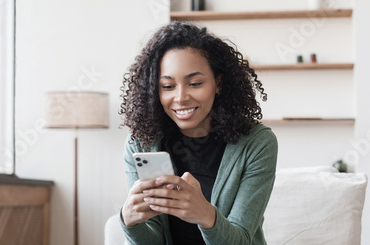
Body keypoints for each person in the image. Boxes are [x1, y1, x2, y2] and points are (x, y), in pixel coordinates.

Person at [118, 21, 278, 245]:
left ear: (218, 83)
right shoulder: (142, 142)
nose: (181, 97)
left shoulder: (256, 143)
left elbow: (241, 240)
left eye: (195, 83)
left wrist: (204, 214)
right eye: (167, 86)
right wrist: (130, 221)